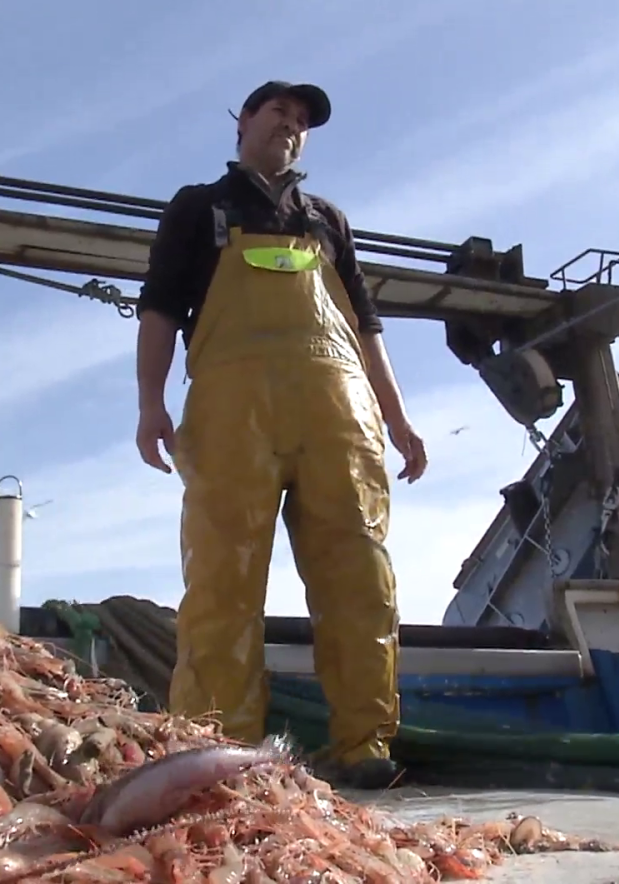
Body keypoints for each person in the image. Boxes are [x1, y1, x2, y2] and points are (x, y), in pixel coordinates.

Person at [133, 80, 428, 789]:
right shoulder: (197, 207)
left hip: (339, 409)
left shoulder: (328, 219)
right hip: (234, 410)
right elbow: (160, 309)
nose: (290, 128)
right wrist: (150, 404)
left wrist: (397, 416)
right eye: (279, 114)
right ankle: (220, 750)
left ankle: (364, 744)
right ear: (244, 123)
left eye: (301, 123)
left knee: (359, 575)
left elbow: (365, 326)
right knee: (223, 580)